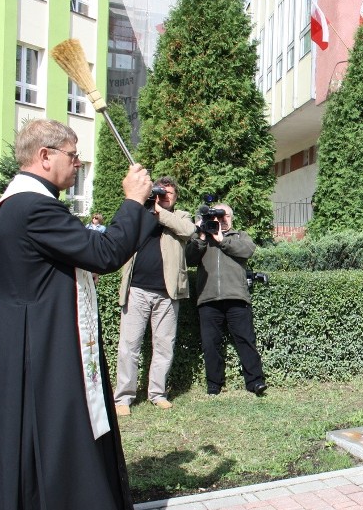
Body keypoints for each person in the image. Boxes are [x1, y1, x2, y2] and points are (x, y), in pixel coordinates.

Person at [0, 118, 156, 510]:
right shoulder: (33, 207)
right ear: (45, 156)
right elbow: (103, 254)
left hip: (31, 341)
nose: (77, 164)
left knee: (34, 447)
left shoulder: (16, 206)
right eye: (72, 155)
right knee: (58, 444)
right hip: (44, 348)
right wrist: (132, 202)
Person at [114, 176, 195, 415]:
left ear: (175, 197)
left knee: (164, 346)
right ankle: (123, 398)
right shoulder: (140, 213)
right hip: (137, 290)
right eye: (160, 193)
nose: (165, 197)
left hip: (168, 293)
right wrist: (147, 207)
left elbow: (189, 231)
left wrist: (160, 211)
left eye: (170, 193)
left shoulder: (181, 216)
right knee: (130, 345)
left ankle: (157, 393)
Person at [186, 203, 268, 396]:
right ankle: (214, 384)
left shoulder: (240, 236)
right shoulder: (203, 238)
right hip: (208, 298)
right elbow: (189, 259)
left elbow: (247, 251)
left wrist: (222, 239)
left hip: (236, 297)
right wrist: (202, 236)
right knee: (210, 344)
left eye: (225, 217)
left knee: (246, 341)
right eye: (217, 218)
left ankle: (255, 382)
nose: (221, 220)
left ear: (231, 217)